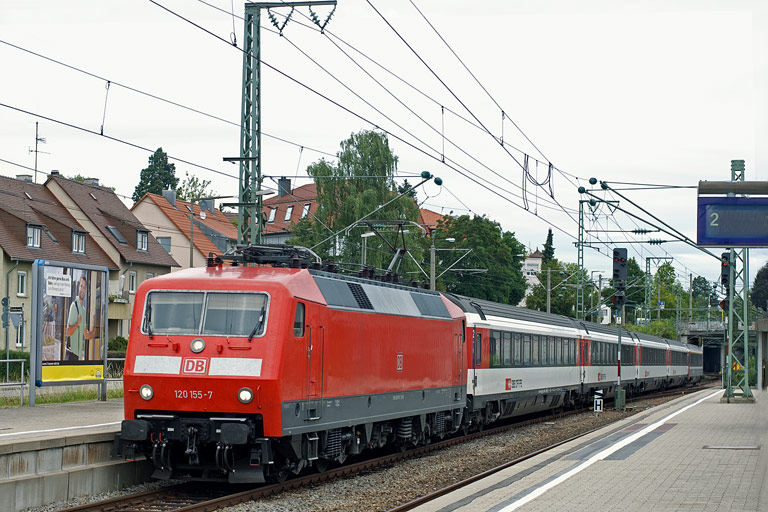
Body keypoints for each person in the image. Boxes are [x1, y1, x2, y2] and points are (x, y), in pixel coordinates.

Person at [66, 275, 95, 360]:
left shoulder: (83, 310)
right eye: (81, 286)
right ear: (78, 287)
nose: (82, 290)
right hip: (72, 356)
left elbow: (85, 335)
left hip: (78, 357)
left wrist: (95, 332)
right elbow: (68, 332)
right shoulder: (74, 306)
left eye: (84, 287)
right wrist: (77, 324)